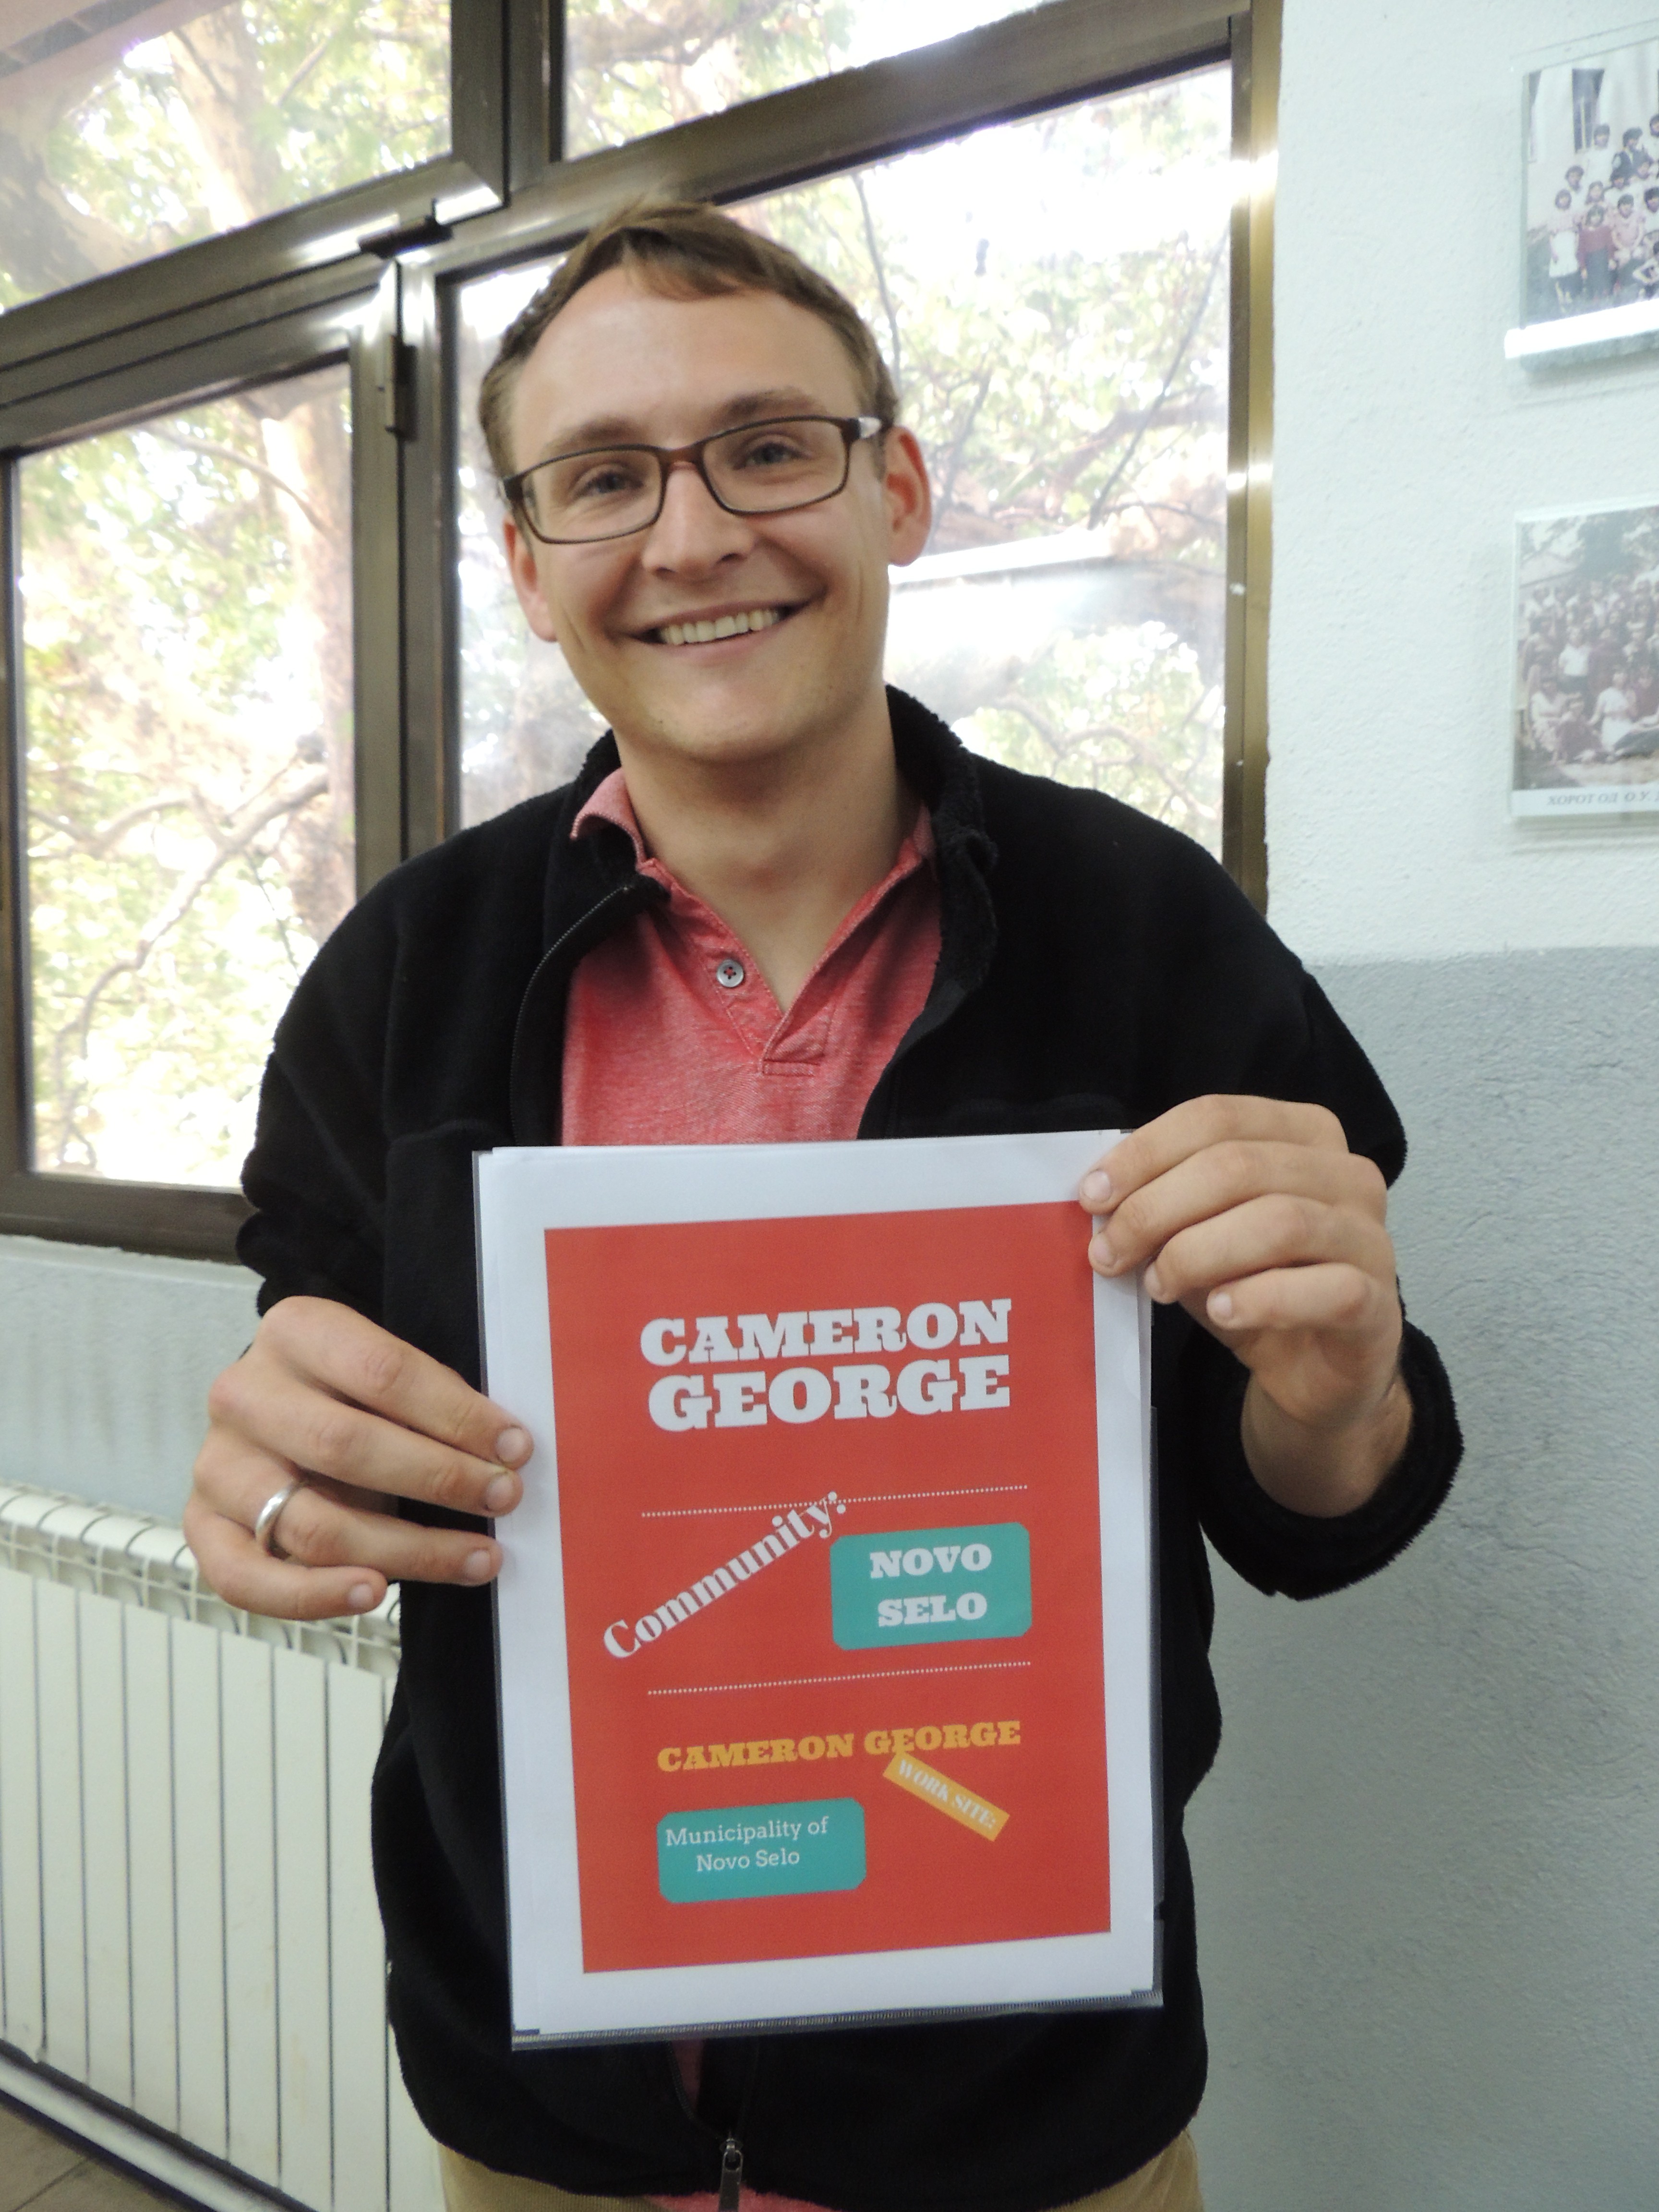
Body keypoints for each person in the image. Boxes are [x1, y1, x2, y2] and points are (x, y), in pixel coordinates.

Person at [187, 202, 1461, 2212]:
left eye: (769, 448)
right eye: (604, 479)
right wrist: (273, 1489)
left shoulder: (1144, 929)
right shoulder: (403, 975)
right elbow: (317, 1409)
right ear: (528, 566)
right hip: (550, 2110)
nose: (692, 536)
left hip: (1031, 2111)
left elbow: (1316, 1502)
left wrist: (1345, 1390)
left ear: (899, 490)